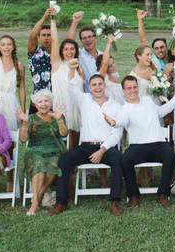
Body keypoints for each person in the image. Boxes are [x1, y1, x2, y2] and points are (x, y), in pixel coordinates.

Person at [51, 64, 124, 216]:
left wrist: (102, 150)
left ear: (105, 85)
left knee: (118, 159)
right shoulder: (84, 100)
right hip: (85, 147)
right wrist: (71, 70)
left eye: (100, 84)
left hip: (107, 147)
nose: (97, 87)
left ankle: (115, 201)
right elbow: (71, 87)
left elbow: (117, 133)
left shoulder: (115, 106)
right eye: (94, 85)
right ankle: (60, 202)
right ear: (89, 87)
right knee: (64, 159)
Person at [108, 75, 175, 208]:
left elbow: (161, 112)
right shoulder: (124, 109)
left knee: (169, 154)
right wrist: (113, 122)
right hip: (137, 147)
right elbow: (120, 121)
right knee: (125, 159)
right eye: (129, 88)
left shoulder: (147, 100)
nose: (133, 90)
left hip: (158, 143)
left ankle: (163, 193)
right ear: (124, 91)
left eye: (135, 87)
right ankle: (133, 195)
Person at [18, 90, 67, 215]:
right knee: (39, 164)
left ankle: (35, 201)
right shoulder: (31, 118)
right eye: (40, 101)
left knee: (54, 162)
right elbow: (23, 139)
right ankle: (37, 202)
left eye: (46, 101)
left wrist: (59, 119)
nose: (44, 104)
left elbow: (64, 134)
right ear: (35, 104)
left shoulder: (57, 116)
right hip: (35, 149)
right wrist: (24, 123)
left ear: (51, 102)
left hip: (55, 148)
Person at [67, 11, 102, 92]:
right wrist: (75, 22)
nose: (88, 40)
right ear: (81, 41)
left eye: (90, 37)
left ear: (95, 38)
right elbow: (69, 42)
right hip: (87, 96)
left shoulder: (102, 54)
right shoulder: (79, 54)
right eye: (84, 38)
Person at [27, 7, 57, 93]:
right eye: (43, 35)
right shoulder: (34, 51)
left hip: (56, 97)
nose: (46, 38)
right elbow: (32, 36)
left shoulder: (59, 53)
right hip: (38, 97)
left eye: (49, 35)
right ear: (39, 37)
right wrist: (44, 17)